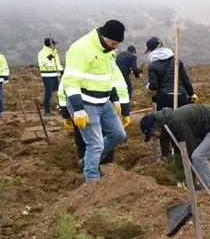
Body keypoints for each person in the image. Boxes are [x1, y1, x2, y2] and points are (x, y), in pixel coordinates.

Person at [61, 20, 131, 182]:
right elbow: (70, 81)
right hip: (85, 103)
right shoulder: (81, 49)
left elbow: (108, 76)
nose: (115, 47)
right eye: (113, 43)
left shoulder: (108, 49)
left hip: (103, 101)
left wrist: (115, 99)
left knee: (118, 134)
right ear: (103, 36)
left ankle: (86, 162)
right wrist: (78, 109)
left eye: (117, 44)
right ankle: (92, 180)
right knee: (95, 144)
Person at [139, 104, 210, 190]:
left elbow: (188, 150)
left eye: (153, 134)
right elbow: (177, 150)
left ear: (156, 126)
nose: (154, 138)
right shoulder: (166, 123)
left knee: (197, 156)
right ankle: (199, 182)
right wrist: (180, 178)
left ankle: (209, 189)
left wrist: (189, 181)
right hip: (207, 128)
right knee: (196, 156)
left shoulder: (176, 122)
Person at [146, 36, 198, 156]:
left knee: (163, 126)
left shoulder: (152, 65)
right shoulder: (176, 61)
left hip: (164, 98)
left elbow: (154, 86)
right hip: (181, 96)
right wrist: (191, 94)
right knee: (183, 125)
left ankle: (166, 155)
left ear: (152, 51)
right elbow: (185, 80)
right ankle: (184, 154)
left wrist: (148, 86)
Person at [38, 38, 63, 115]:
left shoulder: (55, 52)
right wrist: (50, 56)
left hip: (57, 75)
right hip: (47, 76)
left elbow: (57, 63)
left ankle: (61, 109)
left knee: (61, 93)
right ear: (50, 45)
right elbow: (42, 63)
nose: (55, 45)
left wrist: (62, 71)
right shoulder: (42, 53)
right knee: (48, 93)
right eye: (53, 44)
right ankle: (47, 111)